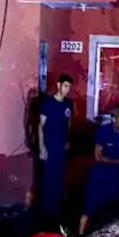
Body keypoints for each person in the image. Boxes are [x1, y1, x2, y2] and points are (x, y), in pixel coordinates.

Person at [79, 105, 119, 235]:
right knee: (90, 207)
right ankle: (80, 234)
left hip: (115, 177)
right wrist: (117, 161)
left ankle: (106, 236)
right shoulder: (103, 131)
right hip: (100, 175)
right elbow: (98, 156)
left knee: (110, 208)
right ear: (114, 119)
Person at [34, 75, 74, 229]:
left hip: (61, 148)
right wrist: (42, 147)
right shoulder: (48, 103)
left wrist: (67, 140)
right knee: (48, 179)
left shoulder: (68, 104)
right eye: (65, 86)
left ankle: (56, 213)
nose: (67, 89)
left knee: (59, 178)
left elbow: (69, 123)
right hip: (49, 146)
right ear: (58, 85)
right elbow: (40, 126)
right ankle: (45, 214)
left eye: (69, 87)